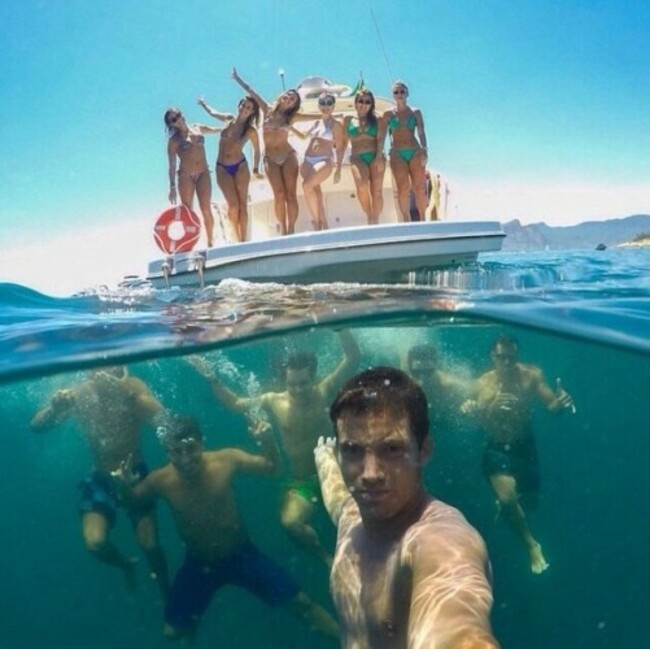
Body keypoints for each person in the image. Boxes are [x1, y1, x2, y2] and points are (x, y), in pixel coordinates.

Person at [314, 367, 500, 649]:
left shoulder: (439, 540)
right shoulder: (353, 518)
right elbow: (338, 499)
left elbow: (459, 634)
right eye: (352, 450)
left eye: (391, 449)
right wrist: (324, 460)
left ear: (423, 451)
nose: (370, 473)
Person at [113, 415, 338, 647]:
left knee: (302, 604)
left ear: (202, 442)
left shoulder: (226, 460)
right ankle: (191, 621)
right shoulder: (160, 479)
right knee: (172, 633)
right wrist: (124, 486)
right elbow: (131, 502)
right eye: (176, 452)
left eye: (191, 448)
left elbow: (273, 469)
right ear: (167, 452)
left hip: (242, 556)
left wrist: (268, 440)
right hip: (198, 564)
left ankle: (351, 641)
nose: (185, 459)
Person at [189, 331, 360, 567]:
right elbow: (236, 403)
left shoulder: (325, 389)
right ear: (285, 382)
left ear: (313, 378)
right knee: (291, 524)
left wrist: (342, 329)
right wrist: (211, 378)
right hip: (303, 481)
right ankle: (328, 560)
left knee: (361, 517)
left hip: (338, 472)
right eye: (292, 384)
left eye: (303, 383)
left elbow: (352, 357)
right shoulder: (274, 401)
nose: (298, 389)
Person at [30, 366, 169, 597]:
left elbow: (162, 418)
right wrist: (54, 409)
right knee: (95, 543)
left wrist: (126, 393)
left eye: (111, 365)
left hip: (134, 474)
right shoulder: (80, 392)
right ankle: (126, 565)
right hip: (100, 477)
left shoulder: (132, 386)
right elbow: (36, 426)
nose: (104, 370)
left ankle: (166, 591)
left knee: (150, 545)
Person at [461, 335, 575, 574]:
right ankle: (531, 545)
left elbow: (551, 406)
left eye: (511, 357)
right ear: (493, 357)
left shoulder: (530, 376)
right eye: (501, 357)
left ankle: (508, 508)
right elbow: (471, 415)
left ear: (517, 357)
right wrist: (484, 408)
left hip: (525, 446)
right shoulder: (483, 384)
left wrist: (561, 403)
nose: (506, 362)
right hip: (496, 449)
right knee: (507, 498)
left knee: (530, 505)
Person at [231, 68, 313, 235]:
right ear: (282, 96)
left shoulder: (291, 118)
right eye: (288, 95)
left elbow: (316, 115)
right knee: (279, 194)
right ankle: (283, 229)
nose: (289, 99)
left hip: (288, 156)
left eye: (292, 99)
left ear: (293, 105)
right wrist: (237, 78)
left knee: (290, 194)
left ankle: (291, 229)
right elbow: (252, 92)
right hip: (270, 158)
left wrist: (331, 112)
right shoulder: (267, 109)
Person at [197, 95, 262, 242]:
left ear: (252, 112)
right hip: (222, 167)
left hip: (240, 166)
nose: (245, 109)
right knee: (233, 206)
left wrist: (256, 168)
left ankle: (243, 240)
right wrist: (203, 104)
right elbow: (213, 113)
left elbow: (257, 150)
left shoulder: (250, 130)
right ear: (239, 106)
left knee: (242, 205)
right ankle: (236, 236)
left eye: (249, 108)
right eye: (244, 106)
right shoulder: (228, 119)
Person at [164, 107, 221, 247]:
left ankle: (210, 242)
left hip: (203, 173)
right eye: (173, 119)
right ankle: (190, 244)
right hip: (185, 176)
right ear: (171, 124)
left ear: (182, 113)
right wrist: (172, 186)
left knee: (206, 209)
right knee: (188, 212)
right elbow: (171, 165)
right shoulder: (173, 141)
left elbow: (214, 130)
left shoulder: (198, 128)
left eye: (178, 115)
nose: (178, 119)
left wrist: (227, 128)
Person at [383, 81, 428, 222]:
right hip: (397, 153)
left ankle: (423, 219)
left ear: (407, 93)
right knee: (403, 188)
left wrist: (425, 150)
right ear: (393, 95)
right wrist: (380, 153)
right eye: (396, 92)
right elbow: (382, 135)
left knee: (419, 187)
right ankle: (406, 219)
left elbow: (421, 132)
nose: (399, 94)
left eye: (402, 91)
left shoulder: (415, 112)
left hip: (415, 151)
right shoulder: (388, 114)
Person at [299, 92, 345, 230]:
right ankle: (324, 225)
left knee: (306, 186)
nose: (325, 106)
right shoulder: (316, 123)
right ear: (319, 105)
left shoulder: (336, 125)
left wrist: (338, 169)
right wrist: (289, 128)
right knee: (316, 193)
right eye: (322, 103)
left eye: (329, 103)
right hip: (307, 160)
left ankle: (316, 223)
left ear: (333, 106)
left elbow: (340, 148)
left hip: (324, 160)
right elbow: (303, 137)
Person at [341, 89, 387, 225]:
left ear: (371, 104)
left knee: (377, 191)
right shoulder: (347, 118)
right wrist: (338, 163)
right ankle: (369, 216)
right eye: (361, 101)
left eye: (368, 102)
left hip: (375, 156)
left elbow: (381, 139)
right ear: (355, 103)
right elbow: (343, 142)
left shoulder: (378, 119)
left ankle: (375, 221)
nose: (364, 104)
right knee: (362, 186)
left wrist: (379, 157)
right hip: (357, 157)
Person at [406, 343, 471, 427]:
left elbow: (473, 390)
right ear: (410, 368)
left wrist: (468, 404)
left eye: (428, 371)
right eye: (417, 372)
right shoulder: (404, 382)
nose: (423, 378)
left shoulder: (450, 385)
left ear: (436, 367)